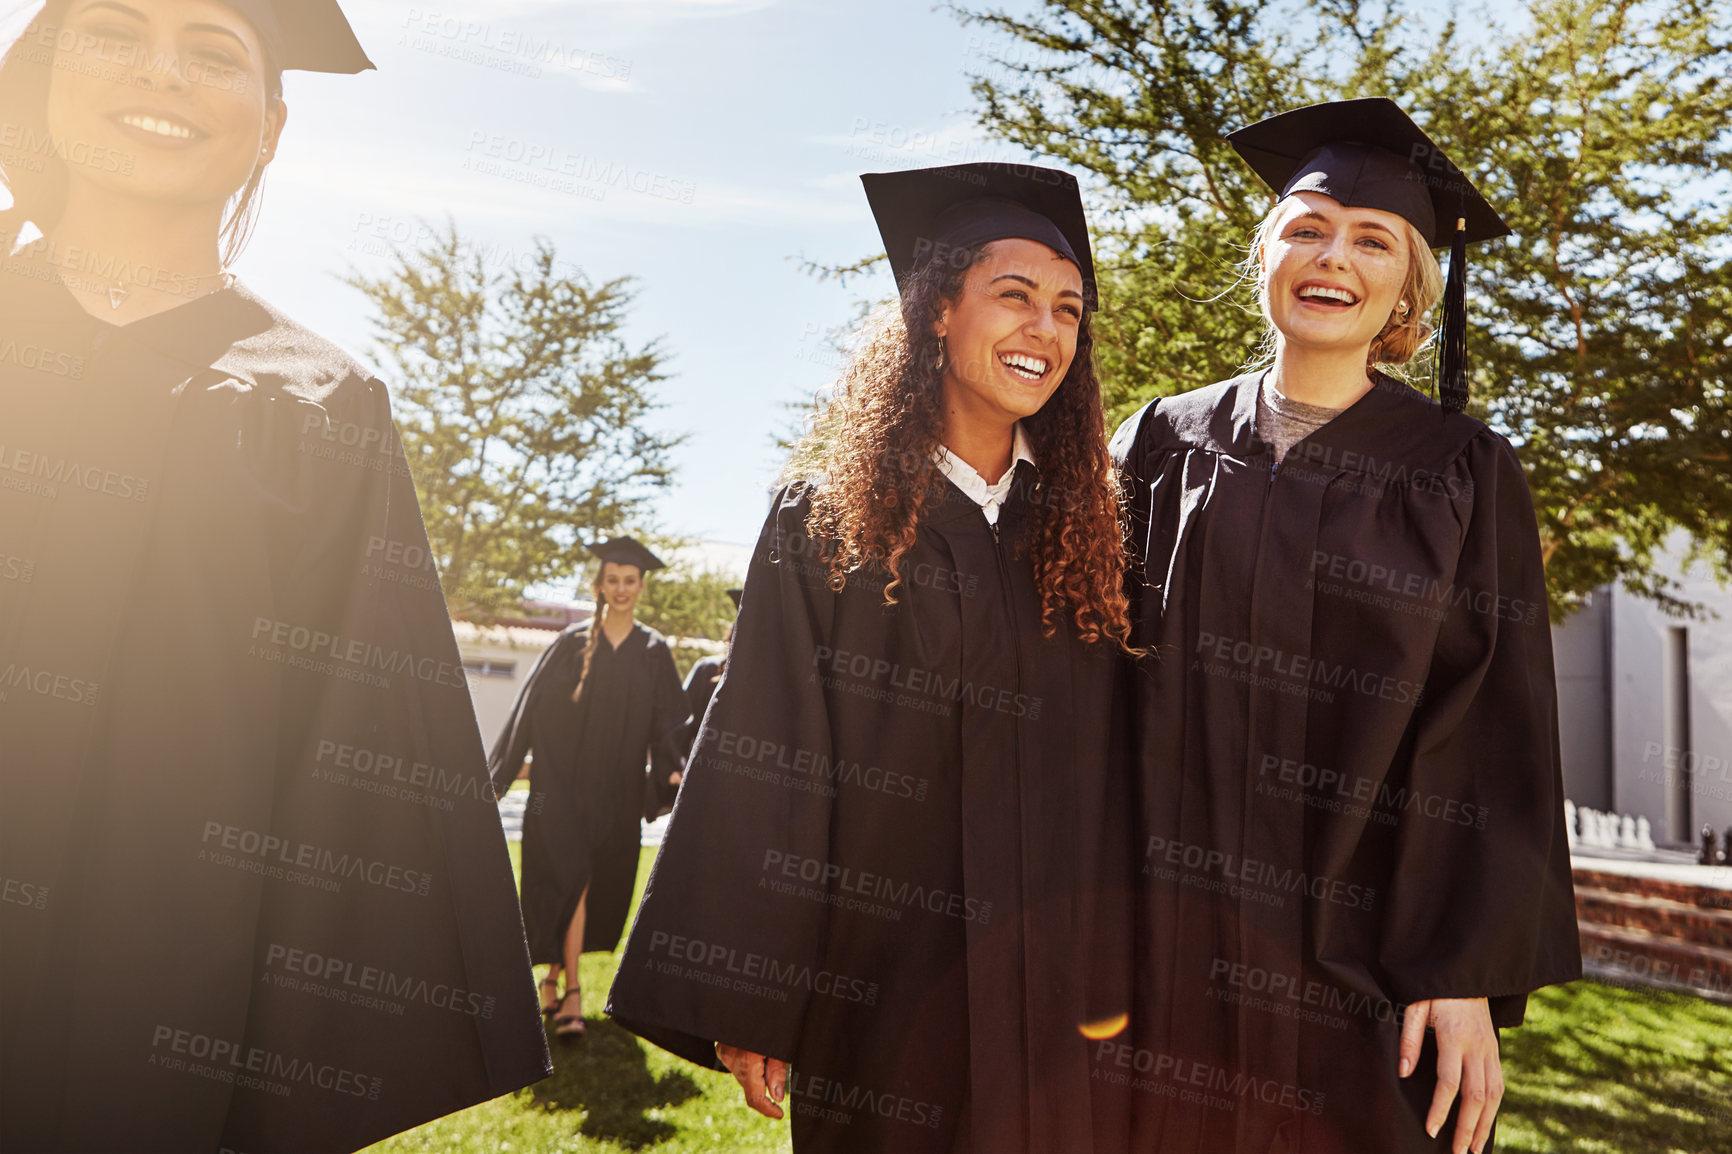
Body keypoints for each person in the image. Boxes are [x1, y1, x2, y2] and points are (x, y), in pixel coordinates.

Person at [0, 3, 550, 1151]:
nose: (163, 70)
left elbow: (360, 773)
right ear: (44, 76)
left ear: (271, 127)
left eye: (214, 51)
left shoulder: (320, 406)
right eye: (115, 30)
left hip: (155, 1019)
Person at [607, 161, 1136, 1153]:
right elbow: (771, 746)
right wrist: (756, 989)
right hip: (881, 981)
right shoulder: (829, 522)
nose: (1045, 329)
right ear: (937, 309)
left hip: (1061, 991)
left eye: (1068, 309)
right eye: (1013, 295)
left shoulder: (1090, 529)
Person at [1110, 98, 1581, 1154]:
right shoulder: (1157, 441)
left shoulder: (1461, 471)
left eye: (1374, 241)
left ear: (1408, 292)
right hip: (1151, 940)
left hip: (1361, 961)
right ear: (1264, 254)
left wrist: (1461, 974)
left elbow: (1491, 729)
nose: (1334, 257)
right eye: (1307, 227)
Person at [487, 537, 689, 1039]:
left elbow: (671, 721)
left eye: (630, 581)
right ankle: (573, 998)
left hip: (617, 794)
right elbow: (530, 710)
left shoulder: (652, 650)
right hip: (562, 791)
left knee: (584, 884)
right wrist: (501, 773)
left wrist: (672, 768)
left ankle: (552, 978)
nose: (621, 589)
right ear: (600, 584)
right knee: (571, 877)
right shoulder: (571, 642)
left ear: (641, 587)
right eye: (612, 580)